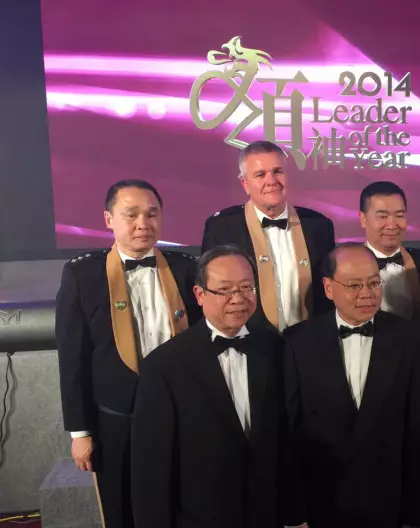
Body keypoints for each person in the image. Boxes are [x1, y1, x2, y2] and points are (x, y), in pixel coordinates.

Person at [55, 180, 201, 528]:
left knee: (182, 505)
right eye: (131, 214)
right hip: (116, 420)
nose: (143, 223)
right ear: (109, 219)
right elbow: (72, 358)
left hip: (180, 415)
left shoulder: (187, 269)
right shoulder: (82, 274)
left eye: (152, 214)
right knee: (121, 509)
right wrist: (80, 432)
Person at [131, 245, 294, 528]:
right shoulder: (164, 366)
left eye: (246, 288)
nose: (238, 299)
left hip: (266, 514)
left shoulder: (276, 349)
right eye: (225, 290)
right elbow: (152, 470)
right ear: (199, 294)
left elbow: (287, 442)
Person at [283, 243, 420, 528]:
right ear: (328, 288)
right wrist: (295, 515)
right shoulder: (297, 341)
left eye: (373, 283)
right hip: (321, 504)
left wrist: (417, 517)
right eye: (354, 285)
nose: (367, 293)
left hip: (388, 505)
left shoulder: (410, 338)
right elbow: (290, 434)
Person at [201, 140, 336, 331]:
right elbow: (211, 295)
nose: (271, 181)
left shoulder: (319, 226)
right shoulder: (222, 229)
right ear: (245, 184)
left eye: (277, 171)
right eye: (260, 174)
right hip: (248, 341)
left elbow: (329, 293)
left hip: (309, 340)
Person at [359, 181, 420, 320]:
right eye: (383, 217)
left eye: (399, 216)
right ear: (363, 219)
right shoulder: (346, 268)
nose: (392, 225)